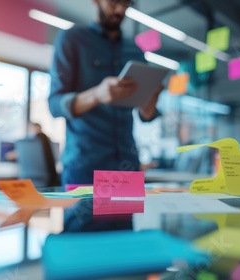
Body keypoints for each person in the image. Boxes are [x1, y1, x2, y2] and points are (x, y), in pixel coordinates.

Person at [48, 0, 162, 184]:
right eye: (114, 2)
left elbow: (144, 115)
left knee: (123, 214)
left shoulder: (135, 51)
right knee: (83, 214)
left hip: (127, 166)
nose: (119, 10)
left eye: (126, 4)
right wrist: (96, 94)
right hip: (85, 168)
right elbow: (54, 105)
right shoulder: (72, 39)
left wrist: (149, 105)